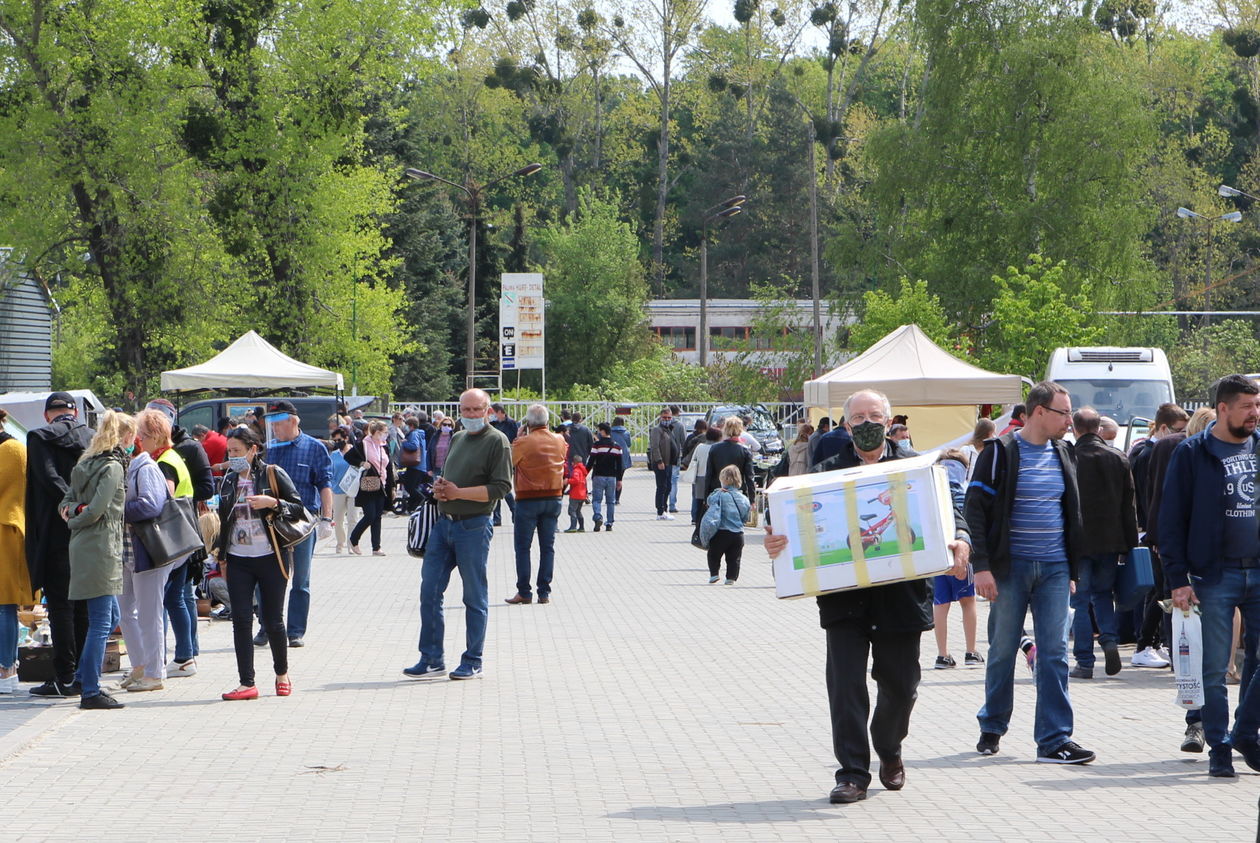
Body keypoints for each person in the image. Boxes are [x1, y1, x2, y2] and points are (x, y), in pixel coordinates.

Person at [764, 389, 972, 804]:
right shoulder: (821, 475)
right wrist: (777, 544)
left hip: (902, 597)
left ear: (890, 420)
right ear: (845, 426)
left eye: (873, 415)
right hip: (845, 601)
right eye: (857, 418)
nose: (865, 424)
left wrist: (961, 540)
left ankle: (889, 747)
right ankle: (853, 774)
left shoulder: (917, 468)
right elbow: (792, 527)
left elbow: (954, 514)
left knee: (902, 686)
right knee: (845, 688)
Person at [967, 381, 1095, 764]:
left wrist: (1071, 567)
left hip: (1055, 568)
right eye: (1063, 413)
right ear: (1039, 411)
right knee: (1003, 650)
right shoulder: (999, 453)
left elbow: (1071, 513)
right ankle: (992, 725)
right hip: (1010, 568)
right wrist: (983, 568)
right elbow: (974, 511)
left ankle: (1054, 740)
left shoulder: (1064, 452)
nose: (1069, 421)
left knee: (1054, 653)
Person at [1158, 374, 1260, 777]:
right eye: (1247, 407)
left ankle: (1245, 733)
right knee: (1215, 668)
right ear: (1222, 408)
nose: (1255, 414)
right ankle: (1219, 745)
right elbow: (1170, 519)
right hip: (1214, 574)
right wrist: (1177, 578)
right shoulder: (1191, 453)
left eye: (1258, 406)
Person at [405, 389, 512, 681]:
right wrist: (441, 487)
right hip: (444, 524)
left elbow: (501, 487)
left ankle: (473, 660)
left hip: (474, 526)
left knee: (474, 595)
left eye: (477, 410)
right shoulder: (457, 437)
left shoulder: (497, 441)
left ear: (488, 410)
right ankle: (431, 658)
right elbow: (450, 475)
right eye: (466, 410)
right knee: (429, 591)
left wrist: (458, 492)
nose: (471, 415)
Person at [212, 426, 303, 700]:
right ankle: (246, 682)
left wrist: (272, 502)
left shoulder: (271, 473)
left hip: (271, 556)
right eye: (229, 451)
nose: (232, 456)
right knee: (240, 620)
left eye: (237, 451)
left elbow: (299, 507)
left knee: (273, 620)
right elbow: (224, 521)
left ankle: (282, 673)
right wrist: (223, 556)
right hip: (239, 558)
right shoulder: (228, 479)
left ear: (253, 449)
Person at [61, 410, 132, 710]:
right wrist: (79, 516)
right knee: (103, 620)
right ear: (124, 436)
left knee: (109, 617)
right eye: (132, 437)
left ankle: (81, 677)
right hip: (101, 546)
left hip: (84, 545)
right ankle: (90, 689)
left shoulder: (84, 464)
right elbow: (96, 511)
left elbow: (66, 503)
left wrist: (74, 513)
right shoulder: (113, 467)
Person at [25, 392, 94, 697]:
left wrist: (69, 505)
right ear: (75, 412)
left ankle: (64, 676)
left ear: (47, 415)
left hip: (55, 531)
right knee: (84, 607)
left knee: (61, 606)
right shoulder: (92, 437)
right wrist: (84, 509)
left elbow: (47, 476)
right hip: (89, 529)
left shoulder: (39, 438)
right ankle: (81, 674)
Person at [1068, 407, 1138, 680]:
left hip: (1079, 542)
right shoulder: (1118, 457)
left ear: (1074, 429)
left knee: (1081, 601)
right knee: (1103, 595)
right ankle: (1108, 639)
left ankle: (1085, 662)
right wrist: (1130, 545)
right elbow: (1128, 505)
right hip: (1111, 541)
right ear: (1098, 429)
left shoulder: (1069, 457)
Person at [258, 400, 334, 649]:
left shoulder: (314, 448)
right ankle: (267, 627)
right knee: (267, 576)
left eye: (277, 424)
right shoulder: (270, 449)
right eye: (271, 425)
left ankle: (295, 631)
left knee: (301, 579)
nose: (274, 429)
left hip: (303, 521)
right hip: (271, 520)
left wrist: (326, 518)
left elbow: (324, 484)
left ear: (293, 421)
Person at [133, 408, 199, 679]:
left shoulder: (164, 462)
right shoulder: (172, 456)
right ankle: (185, 655)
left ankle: (179, 657)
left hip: (171, 538)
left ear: (157, 435)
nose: (140, 440)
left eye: (144, 435)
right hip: (183, 535)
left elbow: (162, 498)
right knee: (178, 598)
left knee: (171, 599)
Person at [116, 431, 176, 693]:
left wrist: (115, 511)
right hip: (127, 551)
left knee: (149, 613)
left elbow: (151, 505)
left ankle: (154, 673)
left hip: (147, 550)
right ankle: (140, 665)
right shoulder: (128, 466)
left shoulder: (145, 467)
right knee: (125, 612)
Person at [506, 405, 565, 606]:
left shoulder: (523, 442)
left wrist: (517, 438)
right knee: (547, 547)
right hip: (554, 498)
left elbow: (509, 463)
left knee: (523, 547)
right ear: (547, 421)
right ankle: (544, 592)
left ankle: (524, 592)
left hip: (527, 500)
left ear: (529, 423)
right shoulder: (559, 440)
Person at [0, 409, 32, 694]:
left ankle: (6, 668)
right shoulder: (16, 448)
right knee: (4, 605)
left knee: (3, 604)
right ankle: (7, 667)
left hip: (5, 530)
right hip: (9, 528)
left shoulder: (11, 450)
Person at [345, 420, 396, 556]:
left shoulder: (384, 446)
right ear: (377, 433)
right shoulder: (363, 444)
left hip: (382, 484)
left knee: (377, 516)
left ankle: (376, 547)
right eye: (384, 432)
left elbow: (389, 467)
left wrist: (392, 487)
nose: (386, 435)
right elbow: (348, 457)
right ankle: (353, 538)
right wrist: (361, 462)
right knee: (370, 515)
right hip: (367, 484)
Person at [704, 465, 750, 585]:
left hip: (721, 531)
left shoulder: (719, 494)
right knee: (734, 558)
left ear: (723, 480)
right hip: (738, 534)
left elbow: (709, 501)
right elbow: (746, 515)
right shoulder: (743, 498)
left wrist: (716, 491)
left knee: (714, 554)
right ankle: (731, 578)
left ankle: (714, 575)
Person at [704, 417, 756, 501]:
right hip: (738, 493)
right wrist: (752, 499)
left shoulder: (714, 448)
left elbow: (709, 474)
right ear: (740, 430)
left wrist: (706, 497)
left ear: (725, 429)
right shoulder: (745, 451)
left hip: (717, 492)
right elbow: (749, 477)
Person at [586, 422, 624, 533]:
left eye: (598, 431)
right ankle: (609, 523)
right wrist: (620, 479)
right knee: (610, 501)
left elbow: (591, 461)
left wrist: (584, 473)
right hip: (612, 477)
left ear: (602, 431)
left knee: (597, 500)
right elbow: (620, 465)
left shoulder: (597, 445)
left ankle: (598, 517)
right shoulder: (617, 446)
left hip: (598, 476)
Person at [648, 408, 681, 520]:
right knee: (662, 487)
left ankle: (665, 509)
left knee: (668, 486)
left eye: (669, 418)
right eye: (665, 417)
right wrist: (659, 461)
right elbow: (655, 447)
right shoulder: (657, 430)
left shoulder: (669, 429)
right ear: (660, 417)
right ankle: (660, 511)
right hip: (661, 463)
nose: (667, 419)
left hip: (669, 463)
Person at [327, 426, 356, 553]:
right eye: (335, 440)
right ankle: (340, 543)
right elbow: (329, 471)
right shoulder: (333, 455)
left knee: (353, 519)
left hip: (353, 490)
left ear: (346, 438)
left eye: (339, 440)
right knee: (338, 520)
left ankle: (352, 544)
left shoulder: (355, 452)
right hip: (338, 490)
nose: (337, 443)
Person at [685, 428, 721, 526]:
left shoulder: (700, 446)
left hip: (699, 475)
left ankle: (695, 518)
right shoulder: (717, 447)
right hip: (713, 476)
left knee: (697, 498)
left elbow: (693, 460)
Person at [490, 405, 519, 526]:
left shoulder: (511, 423)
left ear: (501, 412)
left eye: (494, 413)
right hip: (494, 458)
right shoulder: (494, 424)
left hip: (507, 457)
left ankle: (514, 511)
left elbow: (515, 439)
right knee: (495, 487)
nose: (493, 416)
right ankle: (497, 517)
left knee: (504, 487)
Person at [400, 417, 429, 514]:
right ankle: (412, 507)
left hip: (415, 465)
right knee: (414, 486)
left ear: (411, 425)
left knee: (409, 487)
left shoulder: (414, 434)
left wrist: (404, 443)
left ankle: (422, 499)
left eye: (407, 425)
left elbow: (414, 446)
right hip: (421, 465)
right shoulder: (420, 434)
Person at [960, 418, 996, 483]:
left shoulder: (989, 453)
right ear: (986, 434)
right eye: (992, 433)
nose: (994, 437)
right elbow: (960, 474)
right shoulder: (966, 450)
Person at [667, 405, 687, 512]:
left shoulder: (662, 425)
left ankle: (662, 505)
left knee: (664, 481)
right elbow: (684, 442)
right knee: (673, 481)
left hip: (664, 457)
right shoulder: (679, 425)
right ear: (677, 413)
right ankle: (672, 505)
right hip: (676, 456)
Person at [610, 416, 633, 504]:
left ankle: (610, 497)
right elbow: (629, 444)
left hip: (611, 456)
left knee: (611, 478)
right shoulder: (626, 433)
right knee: (619, 478)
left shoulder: (610, 432)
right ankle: (617, 498)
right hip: (623, 456)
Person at [564, 460, 589, 533]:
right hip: (582, 495)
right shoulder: (583, 470)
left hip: (575, 494)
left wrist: (567, 481)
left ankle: (573, 527)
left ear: (574, 462)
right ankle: (581, 527)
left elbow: (576, 480)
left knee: (572, 511)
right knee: (578, 511)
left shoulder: (576, 471)